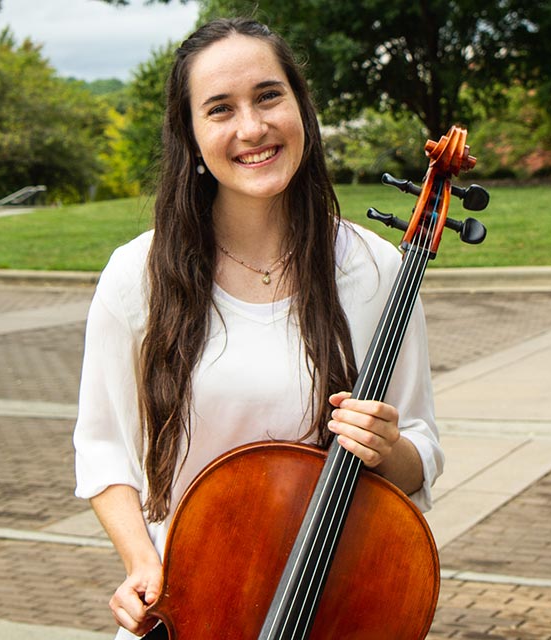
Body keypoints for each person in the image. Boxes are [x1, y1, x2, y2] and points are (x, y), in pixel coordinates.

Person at [73, 17, 444, 639]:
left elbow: (421, 449)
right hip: (192, 605)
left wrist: (388, 449)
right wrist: (143, 562)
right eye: (219, 109)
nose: (252, 128)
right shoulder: (138, 274)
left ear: (302, 107)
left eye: (269, 96)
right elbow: (103, 446)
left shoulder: (376, 268)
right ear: (190, 137)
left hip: (334, 605)